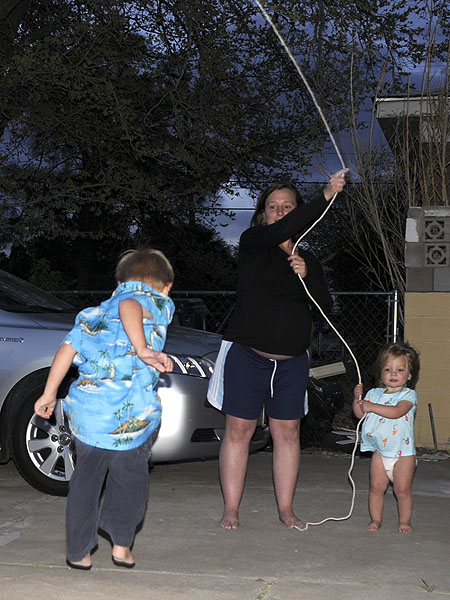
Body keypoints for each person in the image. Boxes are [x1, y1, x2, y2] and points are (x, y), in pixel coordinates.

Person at [208, 169, 348, 530]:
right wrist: (326, 195)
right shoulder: (254, 242)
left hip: (291, 363)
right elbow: (278, 232)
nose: (281, 212)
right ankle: (231, 510)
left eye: (288, 206)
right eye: (274, 207)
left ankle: (286, 510)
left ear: (298, 212)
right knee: (239, 430)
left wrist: (309, 276)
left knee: (288, 433)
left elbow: (325, 308)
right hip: (247, 356)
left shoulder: (308, 259)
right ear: (263, 214)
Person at [34, 249, 175, 569]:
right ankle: (121, 544)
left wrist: (49, 392)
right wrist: (143, 349)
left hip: (87, 417)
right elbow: (130, 304)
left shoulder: (90, 314)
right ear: (166, 287)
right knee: (130, 482)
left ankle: (78, 552)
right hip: (130, 418)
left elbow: (66, 350)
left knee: (85, 484)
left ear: (118, 281)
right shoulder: (154, 301)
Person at [352, 341, 420, 534]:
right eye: (388, 369)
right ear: (381, 372)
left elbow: (398, 411)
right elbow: (359, 414)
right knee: (376, 488)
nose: (393, 374)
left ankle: (405, 521)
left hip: (403, 454)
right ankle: (376, 519)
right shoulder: (374, 393)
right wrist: (358, 400)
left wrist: (371, 406)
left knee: (402, 491)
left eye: (400, 370)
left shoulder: (409, 395)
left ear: (409, 375)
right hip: (380, 453)